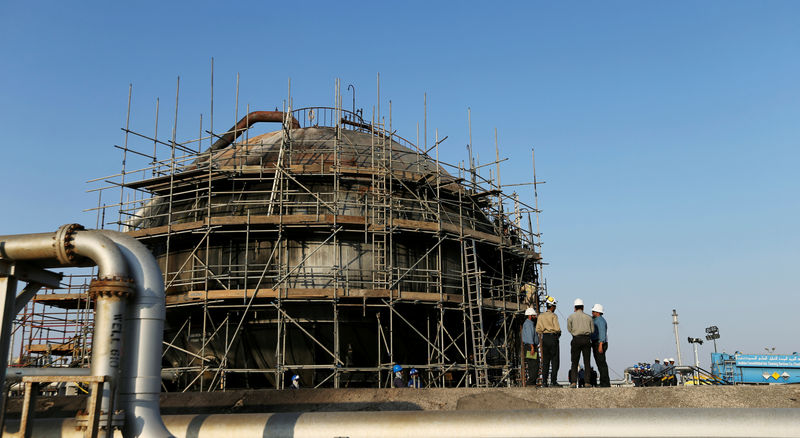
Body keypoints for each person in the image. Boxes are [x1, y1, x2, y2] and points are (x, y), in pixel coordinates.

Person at [567, 298, 594, 388]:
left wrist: (575, 333)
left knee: (574, 362)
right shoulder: (589, 317)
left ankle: (573, 382)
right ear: (583, 307)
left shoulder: (571, 317)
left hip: (576, 339)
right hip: (586, 340)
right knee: (587, 362)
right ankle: (587, 382)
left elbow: (569, 329)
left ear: (575, 307)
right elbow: (592, 330)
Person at [536, 296, 561, 387]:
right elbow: (557, 329)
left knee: (545, 361)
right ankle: (553, 381)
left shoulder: (541, 316)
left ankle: (544, 382)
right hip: (553, 338)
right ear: (552, 306)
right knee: (555, 361)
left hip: (545, 338)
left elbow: (538, 329)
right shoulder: (554, 316)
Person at [590, 303, 610, 387]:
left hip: (599, 343)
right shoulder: (595, 320)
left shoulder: (600, 321)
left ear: (597, 312)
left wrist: (600, 345)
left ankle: (605, 383)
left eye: (593, 311)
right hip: (596, 342)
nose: (592, 312)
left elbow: (602, 334)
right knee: (600, 364)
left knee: (601, 364)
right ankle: (604, 382)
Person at [522, 307, 540, 387]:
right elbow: (530, 336)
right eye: (533, 315)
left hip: (530, 346)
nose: (535, 317)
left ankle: (532, 382)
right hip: (530, 347)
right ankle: (531, 382)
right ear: (530, 316)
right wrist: (532, 347)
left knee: (533, 364)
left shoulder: (529, 323)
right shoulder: (528, 324)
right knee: (534, 364)